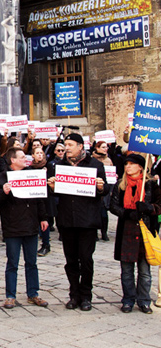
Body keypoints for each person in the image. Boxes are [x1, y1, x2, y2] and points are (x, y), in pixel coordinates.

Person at [47, 133, 109, 311]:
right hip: (67, 220)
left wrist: (101, 187)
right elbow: (56, 193)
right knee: (71, 260)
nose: (67, 147)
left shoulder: (95, 165)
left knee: (86, 259)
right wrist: (52, 187)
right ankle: (74, 295)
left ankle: (86, 295)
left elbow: (104, 190)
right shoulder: (59, 166)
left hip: (87, 220)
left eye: (70, 144)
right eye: (65, 144)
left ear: (81, 146)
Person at [0, 148, 49, 309]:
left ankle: (33, 293)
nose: (26, 159)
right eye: (22, 157)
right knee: (12, 263)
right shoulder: (1, 178)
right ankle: (10, 295)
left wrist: (43, 217)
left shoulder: (32, 174)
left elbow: (40, 198)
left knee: (32, 262)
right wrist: (4, 192)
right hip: (12, 226)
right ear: (13, 160)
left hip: (30, 225)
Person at [109, 154, 160, 314]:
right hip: (127, 231)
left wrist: (148, 208)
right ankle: (128, 299)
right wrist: (127, 213)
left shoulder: (151, 185)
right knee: (127, 271)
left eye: (132, 164)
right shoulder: (120, 185)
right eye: (126, 164)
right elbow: (113, 206)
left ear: (140, 167)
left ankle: (144, 300)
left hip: (145, 231)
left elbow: (159, 205)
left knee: (144, 271)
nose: (128, 167)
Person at [92, 141, 113, 241]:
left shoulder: (108, 160)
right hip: (95, 189)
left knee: (104, 213)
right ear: (97, 148)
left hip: (105, 188)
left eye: (106, 147)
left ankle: (104, 232)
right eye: (103, 147)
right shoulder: (92, 160)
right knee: (95, 211)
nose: (106, 149)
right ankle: (94, 232)